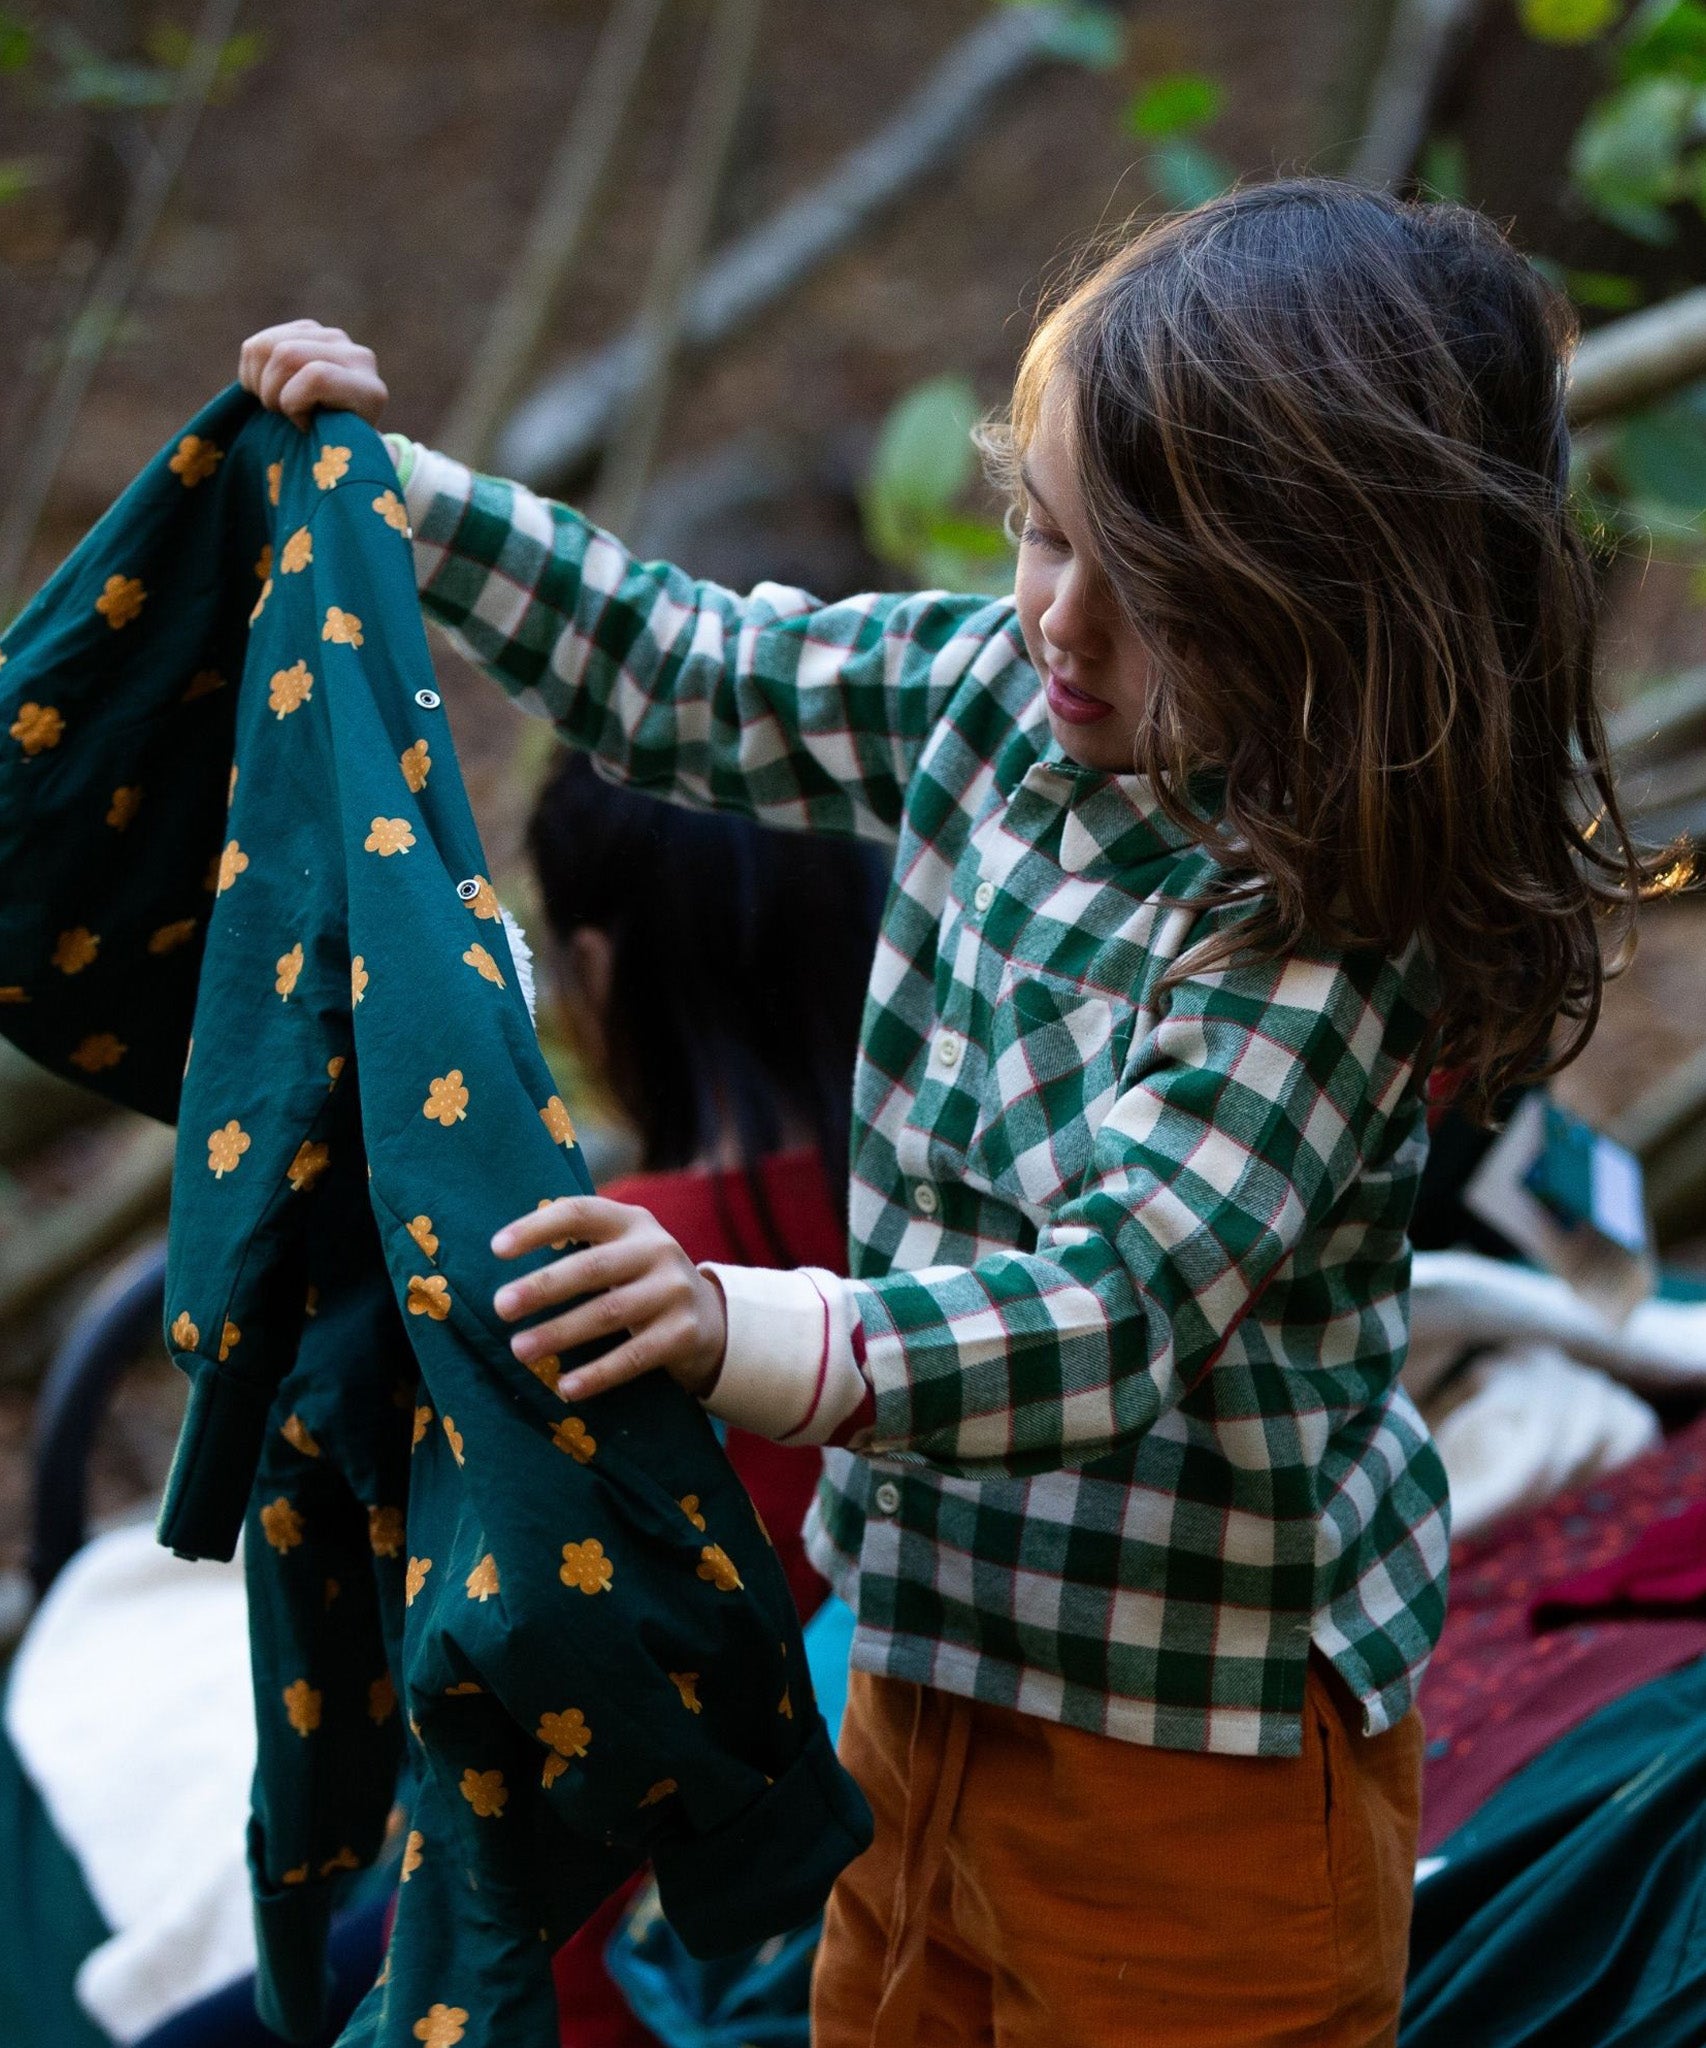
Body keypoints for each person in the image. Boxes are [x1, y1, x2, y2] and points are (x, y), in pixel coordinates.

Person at [240, 178, 1664, 2046]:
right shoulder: (996, 693)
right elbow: (698, 672)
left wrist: (734, 1320)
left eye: (1150, 596)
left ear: (1336, 622)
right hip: (923, 1669)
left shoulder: (1315, 940)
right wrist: (406, 506)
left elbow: (1109, 1311)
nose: (1059, 621)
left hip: (1194, 1758)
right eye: (1038, 532)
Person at [526, 754, 884, 2048]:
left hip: (608, 1978)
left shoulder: (580, 1279)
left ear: (599, 972)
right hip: (863, 1927)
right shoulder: (966, 1254)